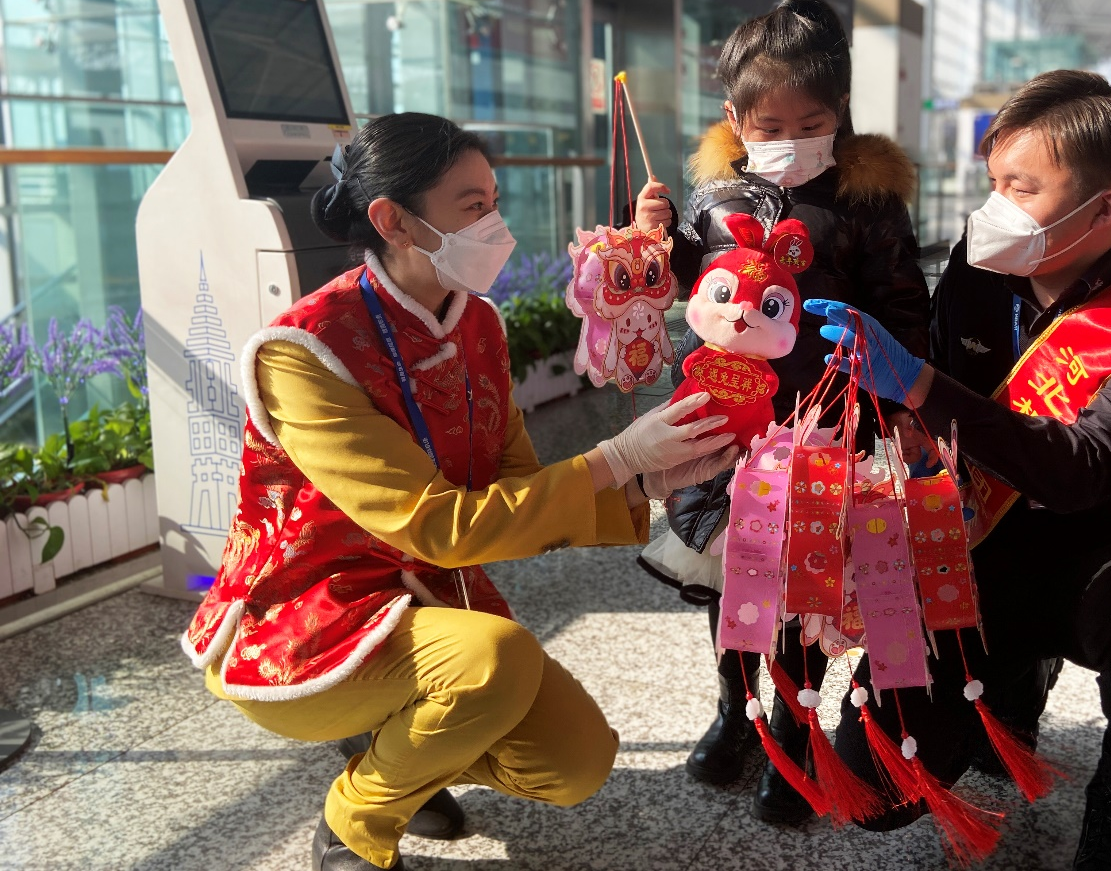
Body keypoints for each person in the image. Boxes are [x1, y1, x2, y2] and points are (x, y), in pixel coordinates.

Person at [180, 113, 738, 871]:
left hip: (432, 604)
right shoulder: (303, 352)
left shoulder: (477, 323)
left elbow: (511, 487)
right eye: (473, 206)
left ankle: (395, 752)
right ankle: (355, 819)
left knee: (576, 761)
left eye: (494, 201)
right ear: (393, 220)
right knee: (494, 662)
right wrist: (611, 458)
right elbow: (435, 526)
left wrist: (640, 476)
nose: (495, 224)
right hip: (313, 612)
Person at [809, 72, 1111, 870]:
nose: (994, 205)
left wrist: (921, 385)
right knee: (883, 785)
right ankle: (1010, 678)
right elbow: (921, 410)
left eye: (1021, 186)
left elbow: (1081, 471)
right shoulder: (977, 275)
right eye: (992, 181)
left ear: (1106, 207)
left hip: (1106, 552)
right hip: (972, 546)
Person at [632, 0, 930, 826]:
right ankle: (738, 710)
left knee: (803, 593)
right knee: (738, 589)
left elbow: (906, 312)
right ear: (735, 116)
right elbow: (694, 287)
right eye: (769, 128)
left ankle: (792, 740)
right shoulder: (714, 197)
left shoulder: (870, 202)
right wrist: (662, 242)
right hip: (731, 426)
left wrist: (893, 401)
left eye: (810, 125)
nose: (790, 143)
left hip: (829, 430)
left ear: (839, 113)